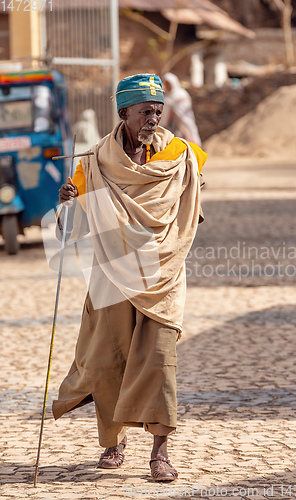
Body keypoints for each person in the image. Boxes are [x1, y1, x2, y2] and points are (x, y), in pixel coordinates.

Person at [52, 73, 207, 482]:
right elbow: (69, 232)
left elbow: (192, 208)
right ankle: (112, 441)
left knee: (158, 360)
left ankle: (160, 452)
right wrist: (67, 203)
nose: (153, 118)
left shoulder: (181, 154)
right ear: (123, 113)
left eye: (158, 110)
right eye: (144, 111)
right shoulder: (93, 162)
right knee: (108, 358)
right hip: (110, 275)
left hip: (162, 273)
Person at [159, 72, 202, 146]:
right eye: (166, 84)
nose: (167, 86)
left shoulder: (181, 94)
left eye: (168, 84)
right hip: (172, 126)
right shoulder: (166, 97)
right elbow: (164, 116)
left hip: (185, 123)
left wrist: (174, 108)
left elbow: (184, 109)